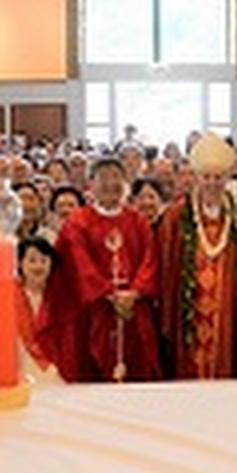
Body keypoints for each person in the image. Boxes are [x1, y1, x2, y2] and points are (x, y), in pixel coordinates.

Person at [39, 156, 161, 382]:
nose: (110, 183)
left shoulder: (137, 222)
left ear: (125, 182)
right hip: (94, 310)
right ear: (90, 184)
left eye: (116, 176)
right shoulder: (78, 222)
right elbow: (78, 263)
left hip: (134, 310)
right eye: (103, 177)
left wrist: (134, 292)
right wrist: (108, 294)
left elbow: (150, 259)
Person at [158, 133, 237, 380]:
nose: (212, 183)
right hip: (189, 305)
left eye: (218, 177)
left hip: (225, 302)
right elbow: (166, 261)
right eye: (207, 177)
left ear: (226, 179)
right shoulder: (177, 215)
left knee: (223, 356)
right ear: (197, 179)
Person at [17, 237, 60, 383]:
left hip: (56, 375)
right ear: (20, 263)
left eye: (44, 260)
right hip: (20, 373)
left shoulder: (61, 299)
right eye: (32, 260)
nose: (38, 266)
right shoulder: (8, 297)